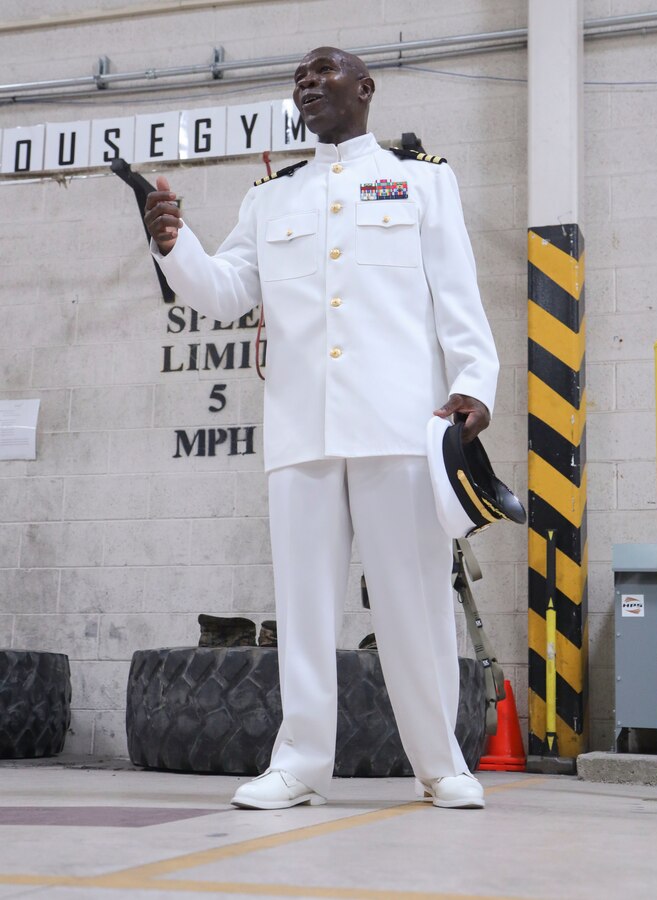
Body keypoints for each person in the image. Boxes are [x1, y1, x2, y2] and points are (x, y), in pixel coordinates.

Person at [144, 46, 499, 810]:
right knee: (304, 607)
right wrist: (175, 246)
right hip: (302, 429)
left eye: (324, 72)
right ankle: (299, 765)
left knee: (416, 605)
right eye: (299, 77)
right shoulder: (272, 198)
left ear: (365, 89)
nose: (308, 84)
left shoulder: (422, 181)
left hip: (401, 423)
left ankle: (441, 766)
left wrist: (473, 384)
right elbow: (228, 290)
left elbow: (457, 293)